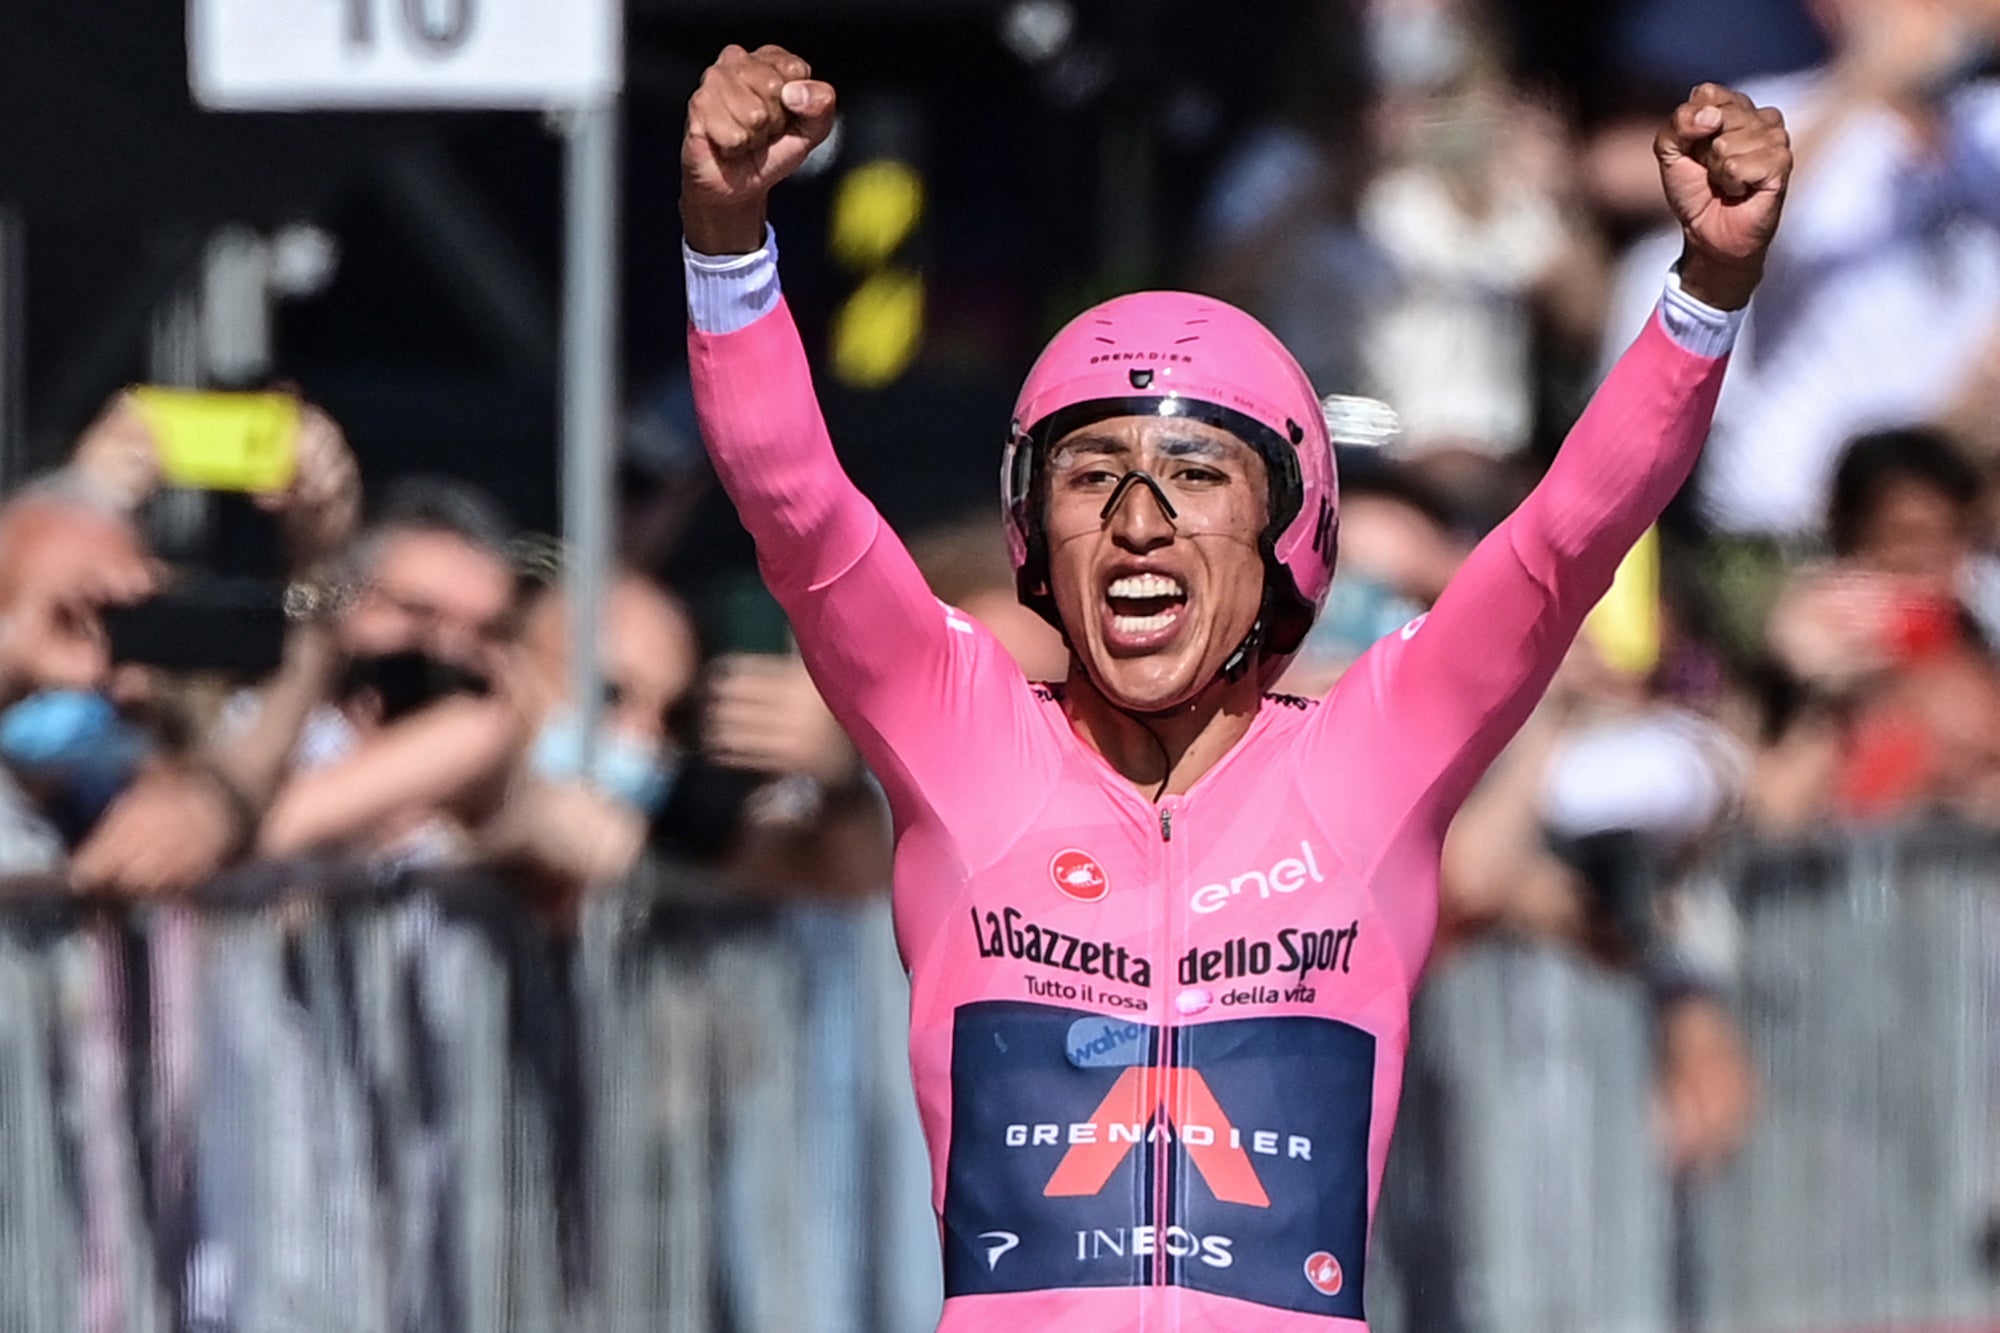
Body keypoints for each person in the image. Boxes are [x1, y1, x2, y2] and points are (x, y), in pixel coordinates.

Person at [681, 42, 1789, 1328]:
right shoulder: (960, 731)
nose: (1140, 520)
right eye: (1092, 475)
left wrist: (1705, 291)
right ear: (1032, 532)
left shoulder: (1371, 757)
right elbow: (797, 507)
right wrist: (726, 235)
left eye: (1198, 476)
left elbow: (1562, 541)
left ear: (1291, 531)